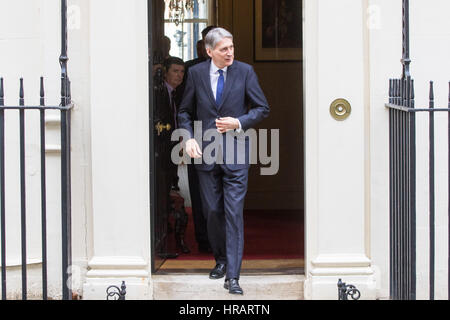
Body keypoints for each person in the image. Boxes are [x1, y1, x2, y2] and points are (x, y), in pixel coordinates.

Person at [177, 27, 270, 295]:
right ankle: (220, 260)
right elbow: (184, 111)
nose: (230, 52)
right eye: (223, 49)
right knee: (212, 212)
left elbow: (262, 108)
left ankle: (233, 276)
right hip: (205, 154)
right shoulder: (195, 74)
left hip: (236, 154)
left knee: (233, 213)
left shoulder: (245, 72)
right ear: (209, 52)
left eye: (231, 47)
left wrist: (239, 121)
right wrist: (187, 138)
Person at [179, 26, 216, 254]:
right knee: (200, 190)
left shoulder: (238, 70)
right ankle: (204, 239)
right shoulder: (191, 70)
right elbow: (184, 107)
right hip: (199, 137)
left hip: (228, 139)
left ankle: (223, 240)